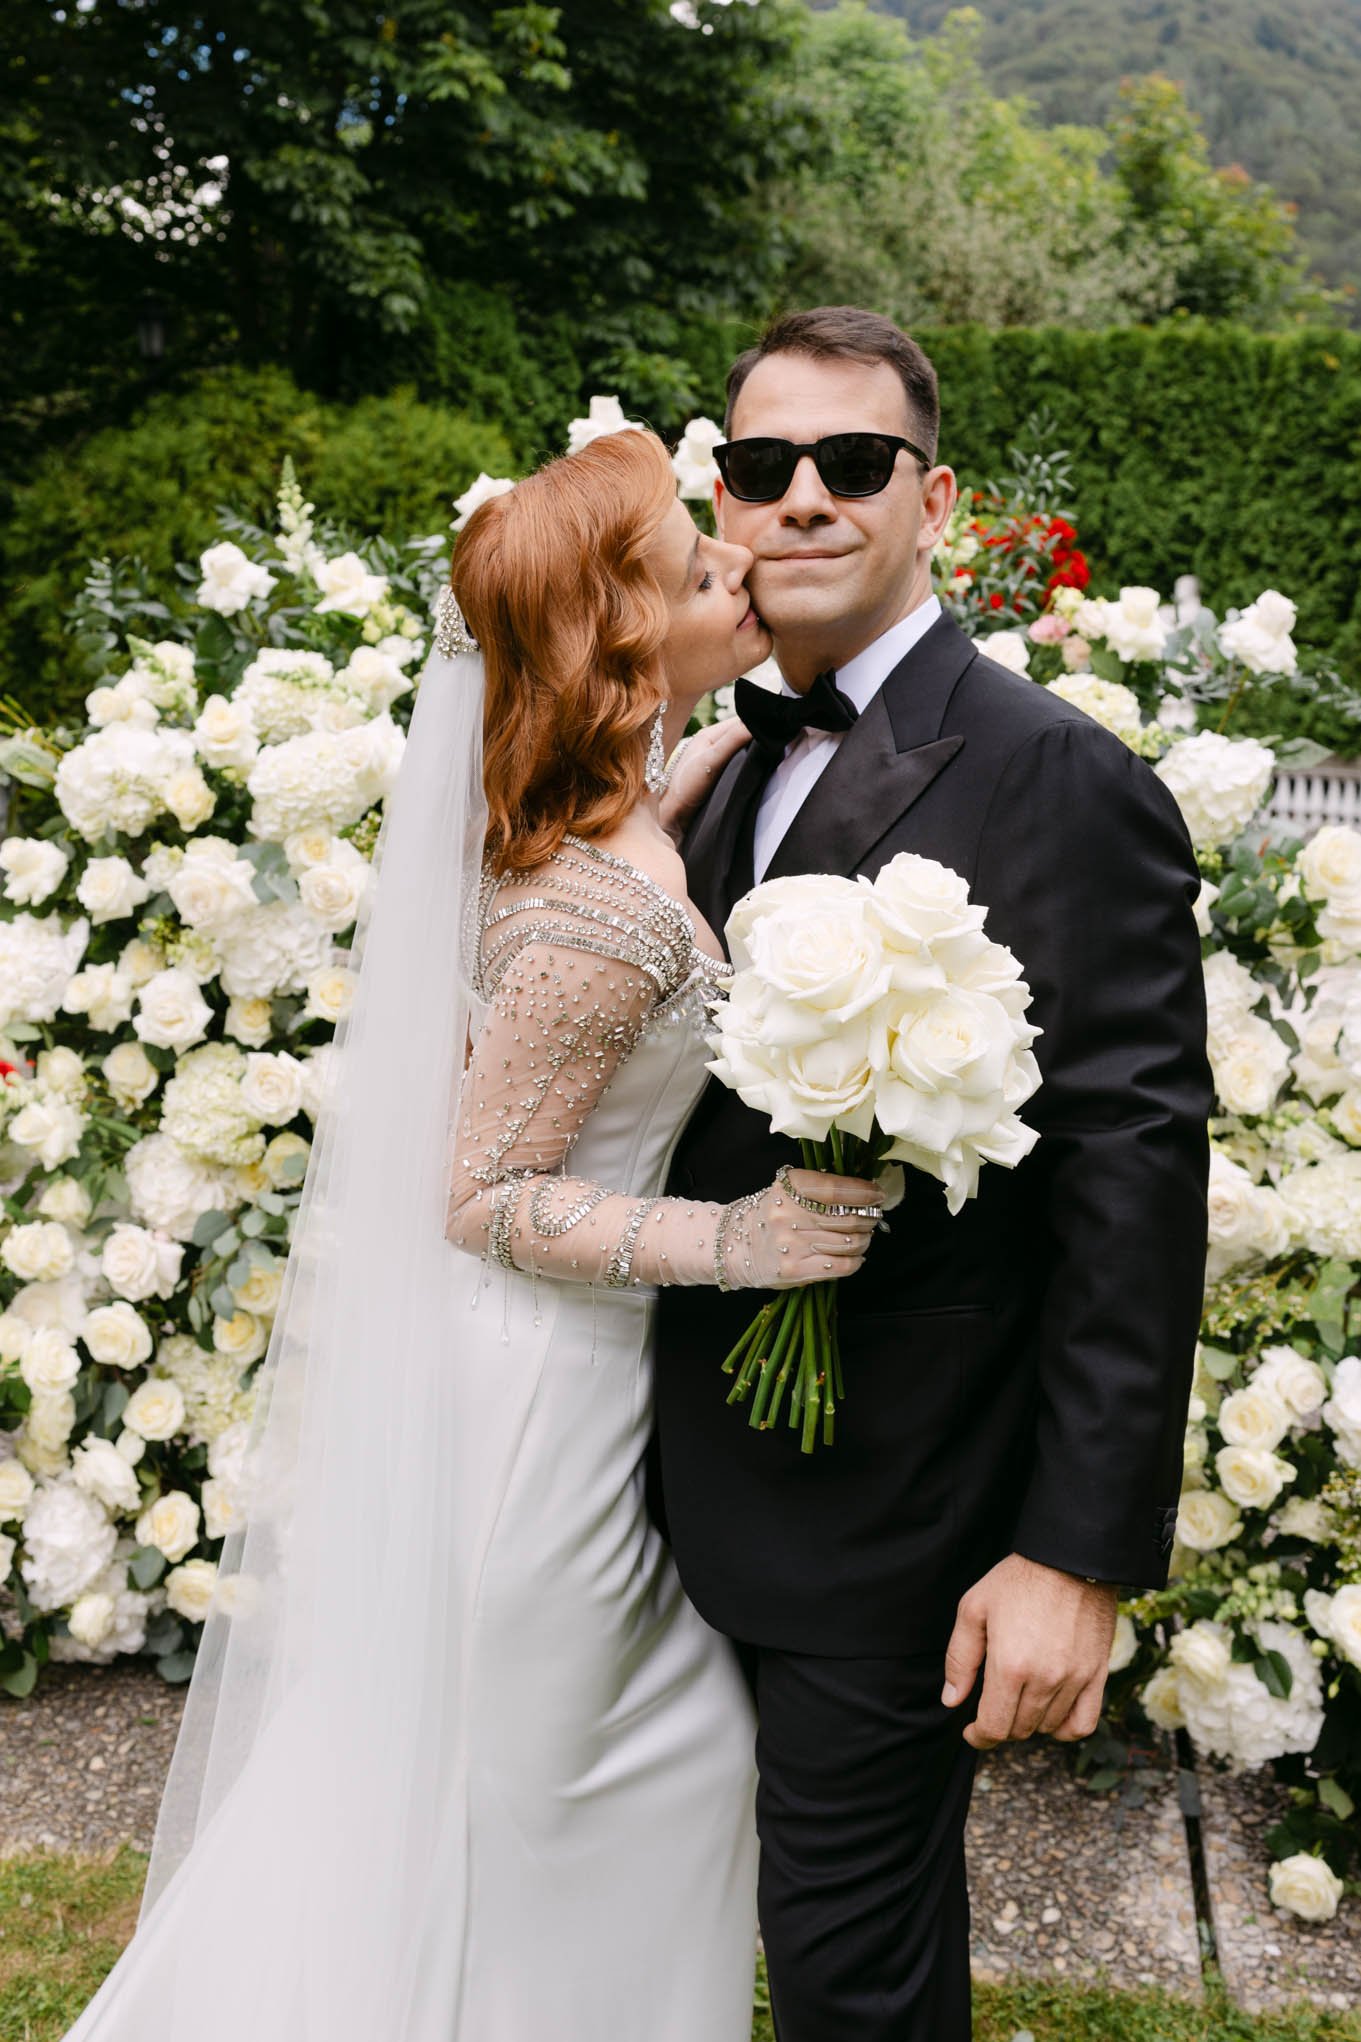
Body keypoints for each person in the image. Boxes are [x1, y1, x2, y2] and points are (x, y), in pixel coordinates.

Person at [61, 427, 883, 2041]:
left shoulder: (602, 836)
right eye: (694, 563)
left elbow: (609, 885)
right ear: (624, 633)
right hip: (533, 1425)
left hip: (545, 1393)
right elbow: (481, 1191)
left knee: (498, 1787)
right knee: (609, 1781)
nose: (739, 564)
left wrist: (686, 771)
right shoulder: (605, 910)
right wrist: (745, 1241)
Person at [654, 306, 1214, 2042]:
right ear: (723, 500)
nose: (802, 498)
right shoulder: (703, 767)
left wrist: (1075, 1550)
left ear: (934, 498)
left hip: (894, 1516)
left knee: (851, 1981)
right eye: (761, 467)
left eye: (851, 463)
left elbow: (1134, 1173)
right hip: (653, 1489)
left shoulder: (1059, 777)